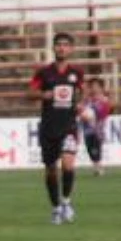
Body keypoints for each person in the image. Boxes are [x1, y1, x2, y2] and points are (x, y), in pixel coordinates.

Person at [29, 32, 85, 225]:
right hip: (49, 126)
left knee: (68, 163)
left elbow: (80, 93)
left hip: (68, 125)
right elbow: (30, 93)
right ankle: (55, 208)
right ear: (53, 48)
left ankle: (67, 202)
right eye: (58, 44)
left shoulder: (77, 73)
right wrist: (43, 95)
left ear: (71, 49)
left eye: (65, 45)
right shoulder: (44, 73)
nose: (62, 48)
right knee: (51, 170)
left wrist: (80, 105)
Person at [79, 77, 113, 176]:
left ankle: (99, 168)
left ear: (101, 88)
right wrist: (82, 112)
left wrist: (93, 115)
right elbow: (80, 109)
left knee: (96, 147)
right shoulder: (88, 99)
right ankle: (97, 167)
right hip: (86, 128)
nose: (94, 89)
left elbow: (106, 111)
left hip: (97, 128)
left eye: (96, 86)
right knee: (89, 148)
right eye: (92, 86)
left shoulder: (104, 100)